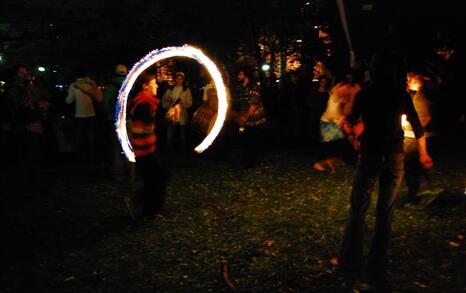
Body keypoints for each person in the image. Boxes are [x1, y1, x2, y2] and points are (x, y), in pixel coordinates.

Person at [334, 52, 433, 287]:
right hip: (395, 156)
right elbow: (417, 127)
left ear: (374, 70)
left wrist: (352, 133)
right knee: (385, 211)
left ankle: (350, 261)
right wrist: (423, 152)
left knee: (359, 206)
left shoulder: (366, 93)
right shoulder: (400, 94)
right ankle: (376, 264)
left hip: (371, 155)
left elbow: (351, 121)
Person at [128, 71, 168, 219]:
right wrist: (169, 118)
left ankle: (146, 208)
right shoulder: (142, 104)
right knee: (155, 181)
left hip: (148, 149)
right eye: (154, 83)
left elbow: (150, 126)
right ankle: (146, 210)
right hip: (145, 152)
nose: (156, 86)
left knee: (157, 178)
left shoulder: (145, 102)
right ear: (145, 86)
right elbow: (153, 125)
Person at [403, 70, 442, 205]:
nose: (407, 82)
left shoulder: (421, 97)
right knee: (417, 169)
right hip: (423, 137)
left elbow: (424, 119)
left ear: (415, 79)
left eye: (408, 79)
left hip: (416, 139)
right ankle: (423, 196)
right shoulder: (425, 94)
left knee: (413, 168)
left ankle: (421, 199)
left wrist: (405, 123)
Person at [6, 65, 45, 190]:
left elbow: (38, 98)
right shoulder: (13, 89)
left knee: (34, 154)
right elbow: (23, 103)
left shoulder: (30, 86)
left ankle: (34, 182)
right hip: (21, 124)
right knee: (23, 155)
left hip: (33, 123)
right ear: (15, 75)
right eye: (22, 73)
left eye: (26, 73)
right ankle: (24, 183)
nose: (25, 75)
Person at [231, 66, 266, 168]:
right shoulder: (241, 88)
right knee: (246, 141)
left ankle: (252, 162)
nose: (238, 76)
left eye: (240, 74)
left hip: (255, 120)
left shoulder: (252, 87)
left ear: (246, 76)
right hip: (246, 120)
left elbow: (253, 105)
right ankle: (248, 161)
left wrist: (245, 118)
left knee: (252, 141)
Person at [66, 73, 103, 164]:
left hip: (79, 116)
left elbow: (69, 100)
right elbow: (99, 98)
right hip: (92, 115)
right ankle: (93, 160)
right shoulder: (90, 84)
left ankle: (81, 161)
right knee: (91, 139)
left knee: (79, 139)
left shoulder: (74, 85)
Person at [103, 64, 129, 181]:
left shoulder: (111, 86)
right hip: (129, 120)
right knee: (128, 146)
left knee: (116, 148)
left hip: (115, 121)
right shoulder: (130, 84)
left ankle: (119, 174)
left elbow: (105, 104)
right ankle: (130, 172)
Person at [161, 72, 193, 154]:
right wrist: (170, 106)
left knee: (182, 134)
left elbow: (189, 102)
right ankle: (170, 151)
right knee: (170, 134)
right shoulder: (170, 89)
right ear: (175, 79)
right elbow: (165, 100)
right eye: (177, 78)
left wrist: (182, 104)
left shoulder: (186, 90)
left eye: (181, 79)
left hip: (182, 115)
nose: (179, 80)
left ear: (183, 80)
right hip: (172, 115)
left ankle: (183, 152)